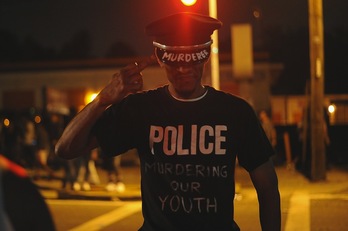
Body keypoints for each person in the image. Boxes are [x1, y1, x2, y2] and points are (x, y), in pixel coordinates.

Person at [55, 12, 281, 231]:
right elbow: (65, 148)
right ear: (160, 59)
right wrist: (102, 100)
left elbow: (267, 185)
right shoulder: (140, 109)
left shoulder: (235, 112)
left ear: (205, 56)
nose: (184, 69)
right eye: (175, 62)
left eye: (192, 60)